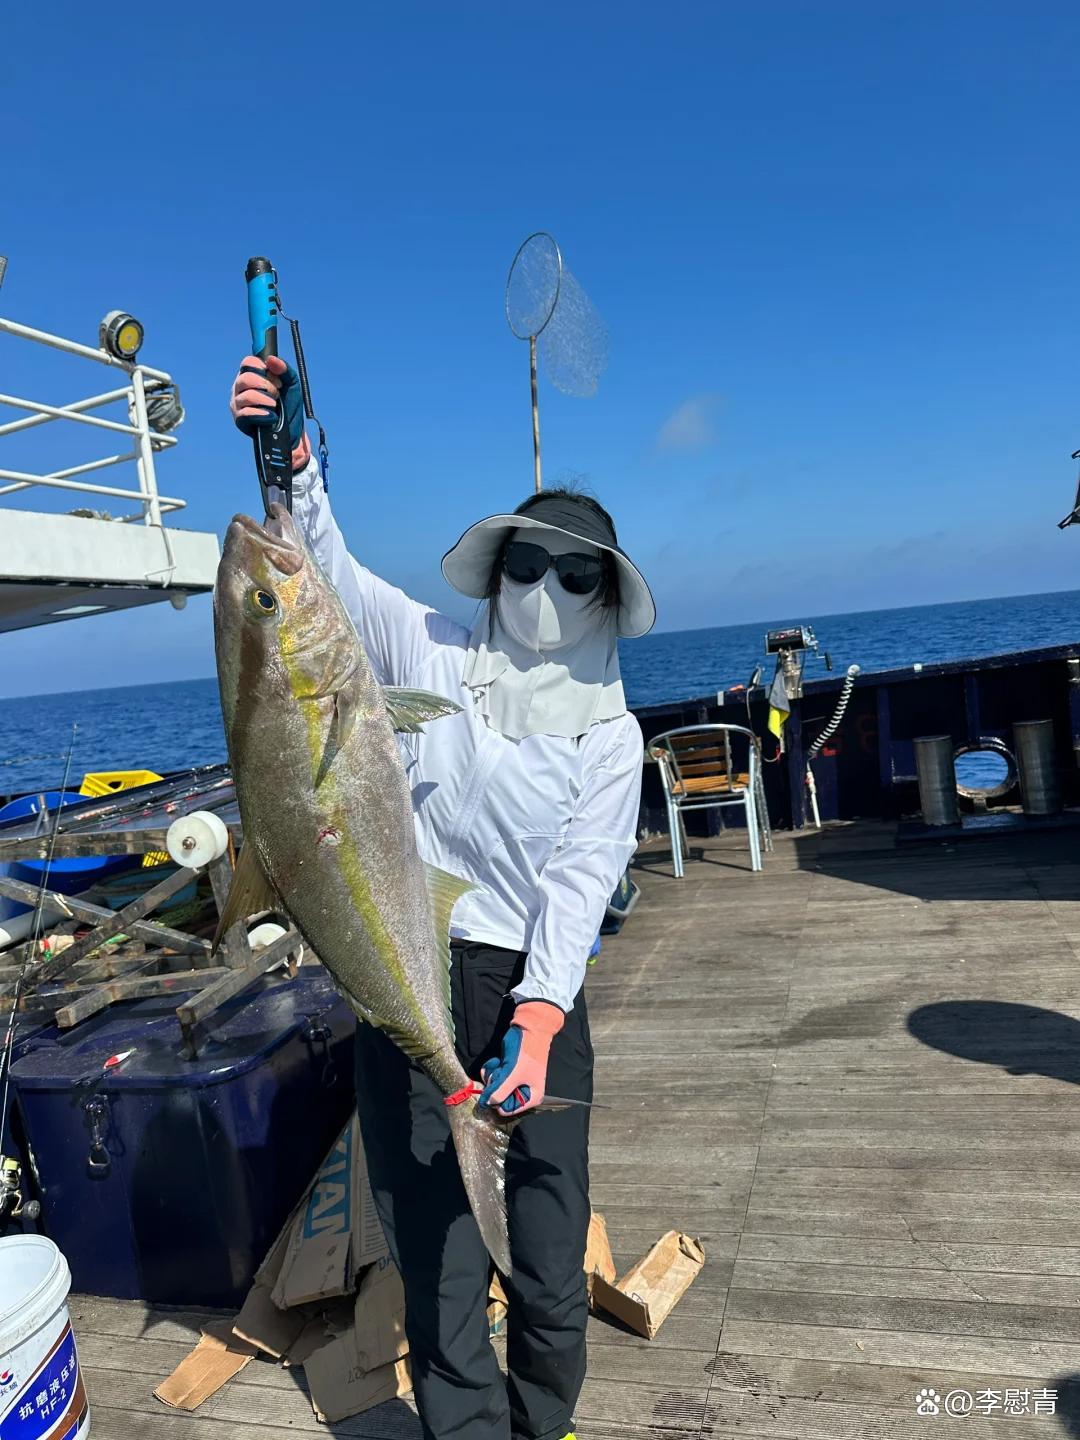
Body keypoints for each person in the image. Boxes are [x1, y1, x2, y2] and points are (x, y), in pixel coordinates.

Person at [230, 353, 655, 1440]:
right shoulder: (429, 647)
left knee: (549, 1248)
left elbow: (579, 882)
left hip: (530, 996)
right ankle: (465, 1430)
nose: (547, 593)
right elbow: (322, 569)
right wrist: (291, 450)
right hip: (409, 976)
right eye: (531, 565)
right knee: (436, 1250)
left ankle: (541, 1421)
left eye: (576, 575)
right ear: (497, 569)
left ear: (605, 596)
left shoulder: (611, 734)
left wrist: (544, 1013)